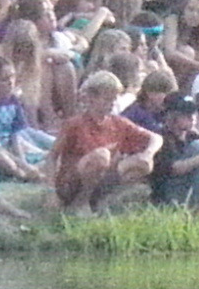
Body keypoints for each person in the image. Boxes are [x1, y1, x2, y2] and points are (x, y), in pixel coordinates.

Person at [46, 70, 159, 211]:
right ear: (91, 98)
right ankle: (80, 203)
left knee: (140, 163)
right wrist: (50, 191)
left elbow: (155, 137)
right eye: (107, 99)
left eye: (114, 99)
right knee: (101, 156)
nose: (112, 103)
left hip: (103, 178)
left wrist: (148, 154)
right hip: (73, 181)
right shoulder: (75, 124)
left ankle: (104, 200)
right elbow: (52, 156)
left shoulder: (118, 122)